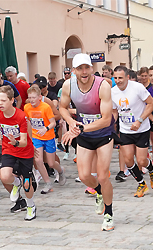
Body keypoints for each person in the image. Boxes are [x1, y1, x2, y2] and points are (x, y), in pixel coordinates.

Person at [59, 53, 117, 231]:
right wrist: (71, 123)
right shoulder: (68, 85)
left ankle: (108, 214)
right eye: (80, 68)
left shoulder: (103, 86)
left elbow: (106, 119)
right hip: (84, 133)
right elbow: (62, 107)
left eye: (87, 67)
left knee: (102, 175)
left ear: (92, 68)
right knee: (84, 176)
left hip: (103, 134)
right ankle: (99, 192)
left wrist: (80, 129)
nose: (84, 72)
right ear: (74, 71)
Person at [0, 85, 39, 220]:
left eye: (3, 101)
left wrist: (17, 142)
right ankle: (16, 183)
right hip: (9, 149)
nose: (0, 104)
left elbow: (24, 140)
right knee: (4, 176)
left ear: (12, 100)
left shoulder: (21, 116)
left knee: (27, 183)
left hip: (24, 150)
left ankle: (31, 206)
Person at [111, 66, 153, 197]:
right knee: (128, 160)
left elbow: (151, 103)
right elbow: (114, 111)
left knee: (142, 161)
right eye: (115, 78)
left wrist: (140, 120)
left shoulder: (137, 87)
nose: (118, 80)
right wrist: (111, 125)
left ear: (127, 77)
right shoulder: (112, 92)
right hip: (125, 130)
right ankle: (141, 184)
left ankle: (151, 170)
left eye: (120, 78)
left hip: (141, 129)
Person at [22, 85, 64, 193]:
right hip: (36, 137)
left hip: (48, 137)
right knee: (38, 160)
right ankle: (48, 183)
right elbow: (28, 123)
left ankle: (60, 171)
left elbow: (53, 123)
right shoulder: (27, 107)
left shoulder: (45, 107)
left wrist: (45, 129)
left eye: (33, 97)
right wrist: (29, 137)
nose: (31, 100)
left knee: (51, 163)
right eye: (29, 97)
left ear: (39, 97)